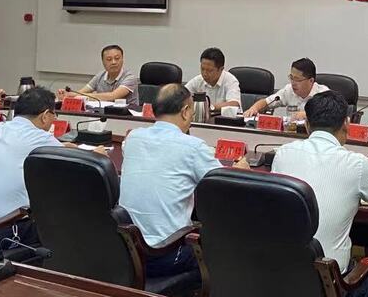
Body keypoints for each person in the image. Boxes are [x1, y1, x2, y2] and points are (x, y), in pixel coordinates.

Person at [271, 90, 368, 297]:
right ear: (346, 124)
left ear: (307, 125)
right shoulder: (358, 164)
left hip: (282, 277)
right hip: (330, 288)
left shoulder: (283, 154)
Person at [119, 83, 248, 282]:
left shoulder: (133, 138)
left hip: (126, 251)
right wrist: (240, 170)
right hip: (164, 255)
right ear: (186, 111)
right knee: (225, 249)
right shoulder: (193, 147)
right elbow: (224, 187)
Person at [0, 87, 103, 254]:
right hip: (2, 232)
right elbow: (79, 164)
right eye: (54, 115)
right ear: (45, 115)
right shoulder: (42, 138)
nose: (54, 119)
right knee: (73, 209)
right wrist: (97, 154)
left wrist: (61, 146)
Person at [243, 58, 328, 119]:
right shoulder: (289, 90)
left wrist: (307, 115)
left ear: (311, 81)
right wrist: (254, 108)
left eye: (297, 79)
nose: (293, 83)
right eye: (291, 78)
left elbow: (331, 117)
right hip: (290, 134)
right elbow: (266, 102)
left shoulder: (324, 94)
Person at [58, 44, 139, 107]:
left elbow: (112, 96)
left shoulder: (130, 77)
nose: (114, 62)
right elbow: (82, 92)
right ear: (103, 62)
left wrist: (82, 97)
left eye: (117, 58)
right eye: (109, 59)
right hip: (104, 115)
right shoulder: (100, 76)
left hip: (128, 117)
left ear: (122, 59)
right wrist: (68, 95)